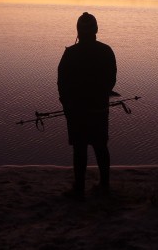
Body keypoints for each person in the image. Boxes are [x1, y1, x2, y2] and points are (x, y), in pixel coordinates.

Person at [57, 12, 117, 199]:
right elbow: (111, 81)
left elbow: (62, 83)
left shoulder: (70, 53)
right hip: (99, 110)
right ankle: (104, 185)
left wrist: (67, 105)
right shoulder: (106, 51)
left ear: (78, 31)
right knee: (101, 147)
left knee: (80, 149)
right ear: (96, 30)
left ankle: (80, 188)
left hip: (77, 112)